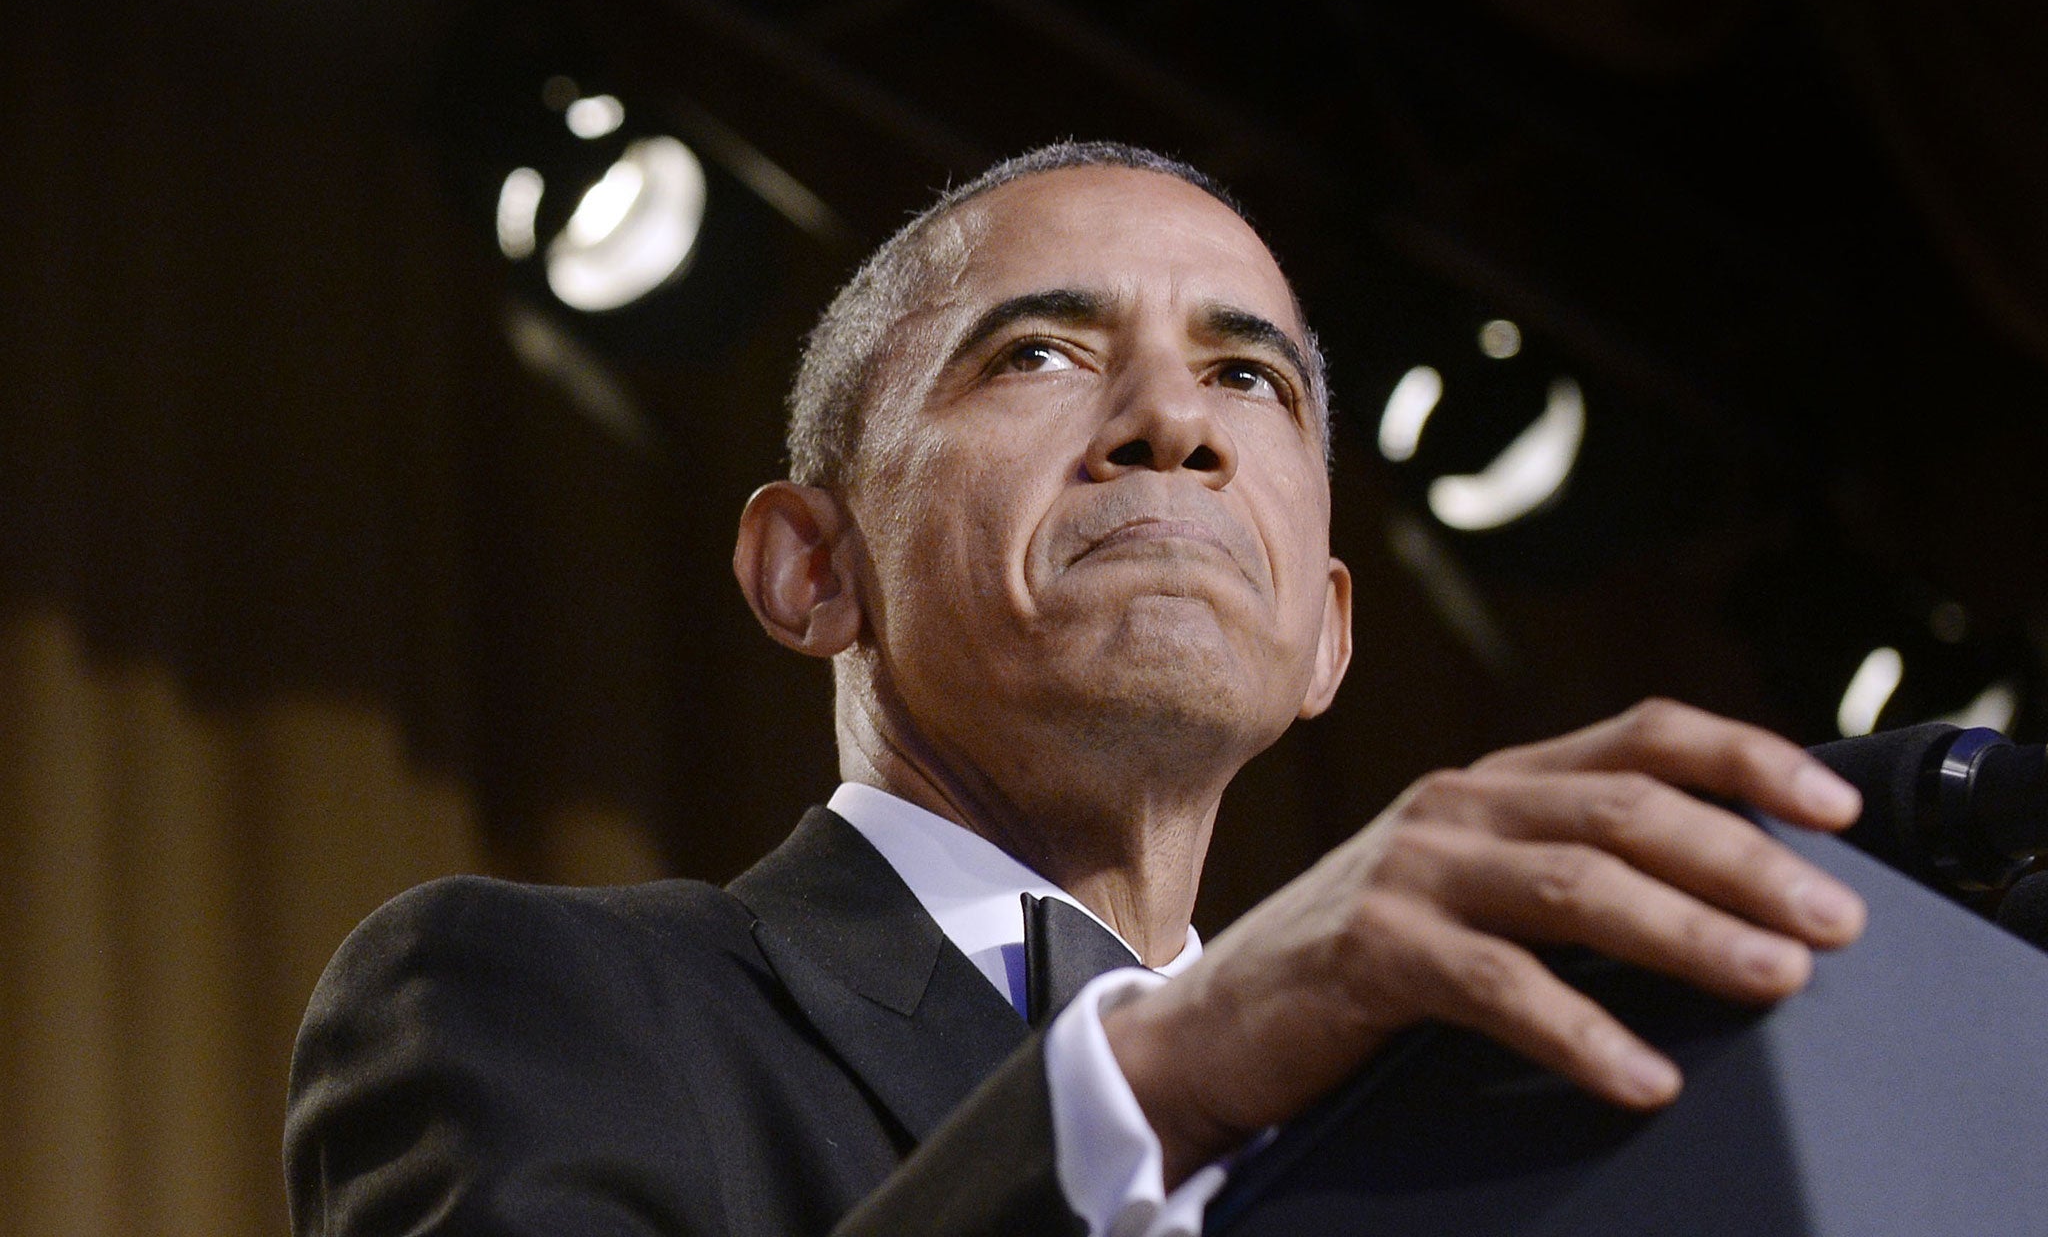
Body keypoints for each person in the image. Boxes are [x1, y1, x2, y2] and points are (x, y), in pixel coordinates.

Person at [284, 142, 1868, 1237]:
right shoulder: (542, 1003)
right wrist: (1159, 1080)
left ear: (1328, 636)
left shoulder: (1473, 1141)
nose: (1174, 423)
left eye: (1250, 378)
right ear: (809, 570)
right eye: (1038, 351)